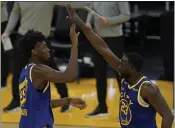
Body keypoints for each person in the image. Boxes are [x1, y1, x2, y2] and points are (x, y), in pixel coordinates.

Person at [66, 5, 174, 128]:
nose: (118, 66)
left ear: (132, 69)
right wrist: (78, 20)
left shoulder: (148, 89)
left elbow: (168, 115)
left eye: (122, 64)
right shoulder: (126, 76)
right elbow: (102, 47)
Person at [1, 1, 90, 112]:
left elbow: (69, 3)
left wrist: (90, 3)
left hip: (41, 39)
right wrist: (7, 32)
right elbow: (15, 13)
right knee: (18, 71)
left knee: (53, 70)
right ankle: (16, 101)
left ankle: (65, 98)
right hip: (23, 37)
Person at [18, 24, 86, 128]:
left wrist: (68, 100)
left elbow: (40, 105)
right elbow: (70, 77)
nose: (48, 49)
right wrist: (74, 45)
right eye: (44, 47)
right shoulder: (38, 70)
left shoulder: (25, 71)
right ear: (34, 51)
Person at [85, 2, 130, 117]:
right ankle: (102, 107)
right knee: (99, 74)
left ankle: (129, 108)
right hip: (97, 37)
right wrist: (88, 23)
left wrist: (108, 20)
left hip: (114, 38)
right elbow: (91, 10)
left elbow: (126, 15)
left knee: (120, 74)